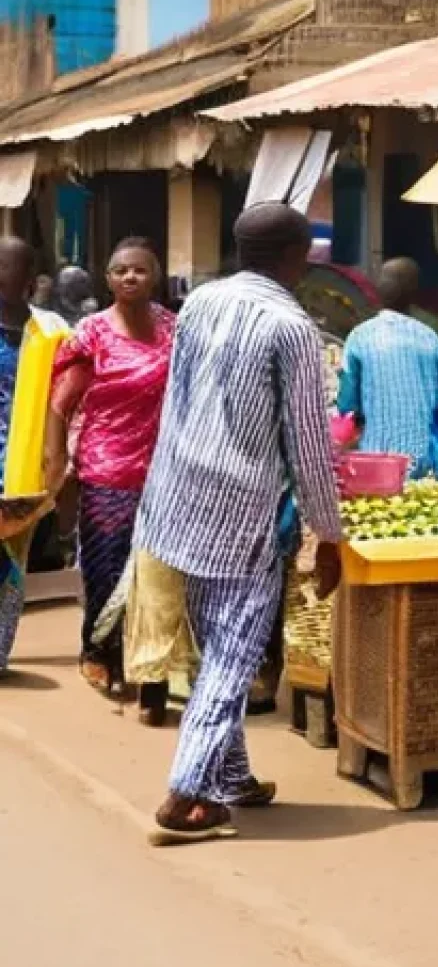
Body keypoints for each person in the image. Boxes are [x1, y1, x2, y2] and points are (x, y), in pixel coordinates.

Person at [135, 203, 343, 845]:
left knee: (213, 642)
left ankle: (231, 778)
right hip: (240, 511)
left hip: (178, 499)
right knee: (236, 650)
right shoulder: (292, 326)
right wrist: (328, 532)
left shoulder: (199, 303)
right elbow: (308, 441)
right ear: (296, 255)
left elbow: (179, 395)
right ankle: (187, 793)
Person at [44, 238, 176, 715]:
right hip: (106, 466)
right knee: (107, 566)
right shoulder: (93, 332)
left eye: (139, 270)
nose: (129, 278)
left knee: (154, 575)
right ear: (107, 279)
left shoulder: (172, 329)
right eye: (120, 270)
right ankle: (100, 652)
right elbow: (61, 404)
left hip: (161, 468)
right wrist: (57, 465)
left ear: (154, 276)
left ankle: (149, 670)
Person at [0, 240, 68, 676]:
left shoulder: (52, 332)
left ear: (30, 278)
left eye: (7, 266)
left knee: (11, 565)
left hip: (23, 470)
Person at [338, 257, 438, 477]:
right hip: (427, 467)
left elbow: (347, 404)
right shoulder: (431, 339)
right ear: (415, 295)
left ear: (377, 292)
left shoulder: (361, 337)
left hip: (376, 467)